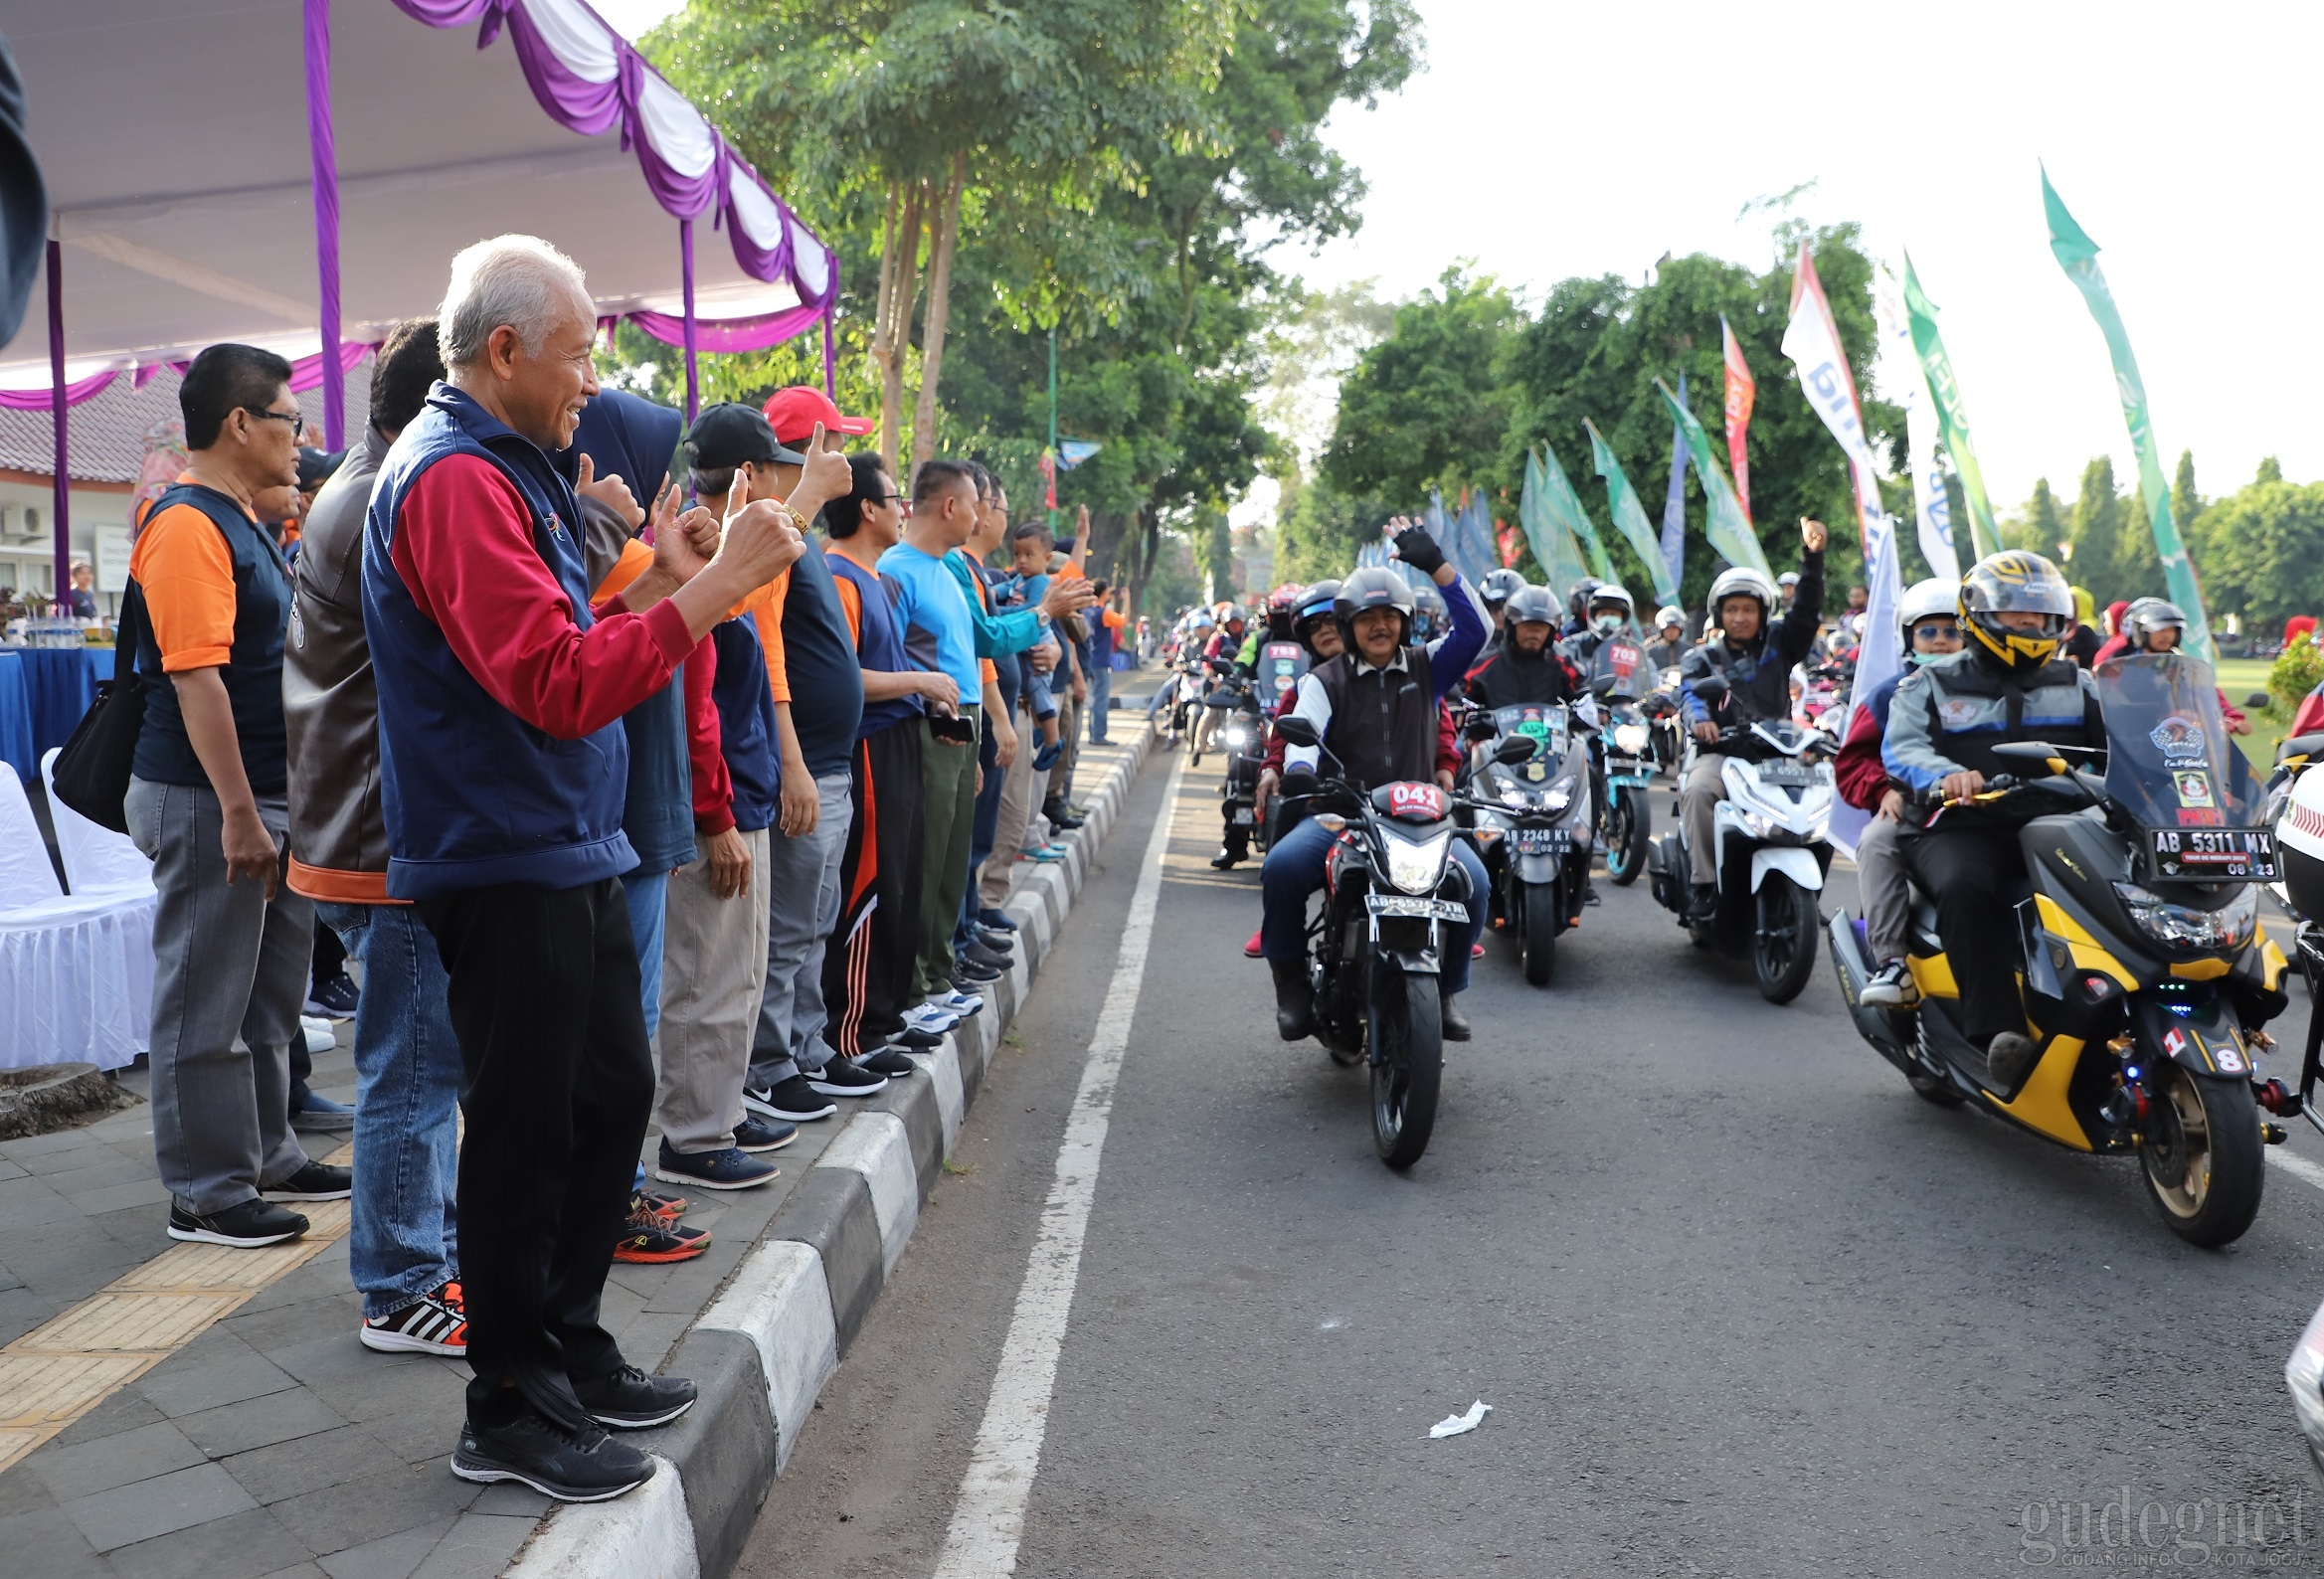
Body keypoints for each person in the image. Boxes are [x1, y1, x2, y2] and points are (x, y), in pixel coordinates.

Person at [366, 235, 804, 1500]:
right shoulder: (452, 480)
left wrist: (664, 585)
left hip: (562, 842)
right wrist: (711, 593)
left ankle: (565, 1341)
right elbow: (553, 688)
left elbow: (566, 645)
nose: (587, 383)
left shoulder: (512, 469)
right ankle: (507, 1399)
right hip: (504, 854)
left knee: (607, 1100)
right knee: (524, 1130)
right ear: (501, 350)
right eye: (575, 357)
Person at [127, 343, 352, 1251]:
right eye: (291, 420)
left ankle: (267, 1152)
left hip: (263, 794)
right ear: (240, 424)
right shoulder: (186, 525)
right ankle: (205, 1193)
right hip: (206, 796)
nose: (300, 439)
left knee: (267, 999)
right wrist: (237, 812)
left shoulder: (242, 518)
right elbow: (198, 682)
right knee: (205, 1001)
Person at [284, 318, 468, 1351]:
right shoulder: (383, 498)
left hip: (375, 823)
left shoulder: (369, 484)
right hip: (379, 834)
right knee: (410, 1068)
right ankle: (399, 1283)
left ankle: (423, 1257)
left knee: (422, 1062)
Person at [1882, 552, 2101, 1090]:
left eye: (2039, 616)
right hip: (1959, 822)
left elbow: (2121, 747)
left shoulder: (2082, 683)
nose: (2029, 626)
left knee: (2105, 891)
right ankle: (1998, 1032)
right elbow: (1904, 748)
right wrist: (1949, 776)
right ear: (1978, 616)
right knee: (1964, 887)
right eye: (2015, 616)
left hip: (2054, 820)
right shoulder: (1929, 683)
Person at [1263, 524, 1491, 1041]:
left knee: (1475, 883)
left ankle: (1448, 989)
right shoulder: (1322, 681)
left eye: (1390, 616)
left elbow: (1478, 631)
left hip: (1419, 818)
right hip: (1341, 815)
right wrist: (1299, 771)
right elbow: (1304, 736)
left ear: (1406, 623)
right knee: (1280, 867)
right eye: (1367, 618)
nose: (1380, 627)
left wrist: (1438, 565)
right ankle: (1292, 986)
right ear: (1347, 626)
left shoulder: (1428, 666)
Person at [812, 452, 952, 1069]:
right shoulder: (840, 576)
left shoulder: (873, 578)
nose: (903, 511)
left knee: (901, 882)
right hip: (867, 748)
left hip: (898, 746)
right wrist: (919, 681)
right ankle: (854, 1031)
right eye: (895, 500)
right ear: (867, 508)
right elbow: (847, 681)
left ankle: (886, 1017)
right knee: (869, 885)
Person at [1677, 520, 1829, 918]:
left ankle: (1806, 894)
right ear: (1719, 614)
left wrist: (1812, 559)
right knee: (1697, 792)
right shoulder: (1701, 658)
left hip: (1777, 755)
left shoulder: (1780, 644)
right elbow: (1690, 694)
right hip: (1722, 754)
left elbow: (1808, 612)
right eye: (1732, 610)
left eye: (1748, 609)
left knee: (1823, 801)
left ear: (1763, 612)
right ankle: (1705, 885)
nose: (1740, 617)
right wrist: (1700, 722)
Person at [1836, 578, 1963, 1008]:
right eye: (1930, 631)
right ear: (1910, 636)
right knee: (1876, 842)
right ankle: (1891, 961)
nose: (1942, 641)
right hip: (1911, 809)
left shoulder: (1987, 687)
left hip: (1987, 808)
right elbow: (1853, 761)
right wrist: (1883, 792)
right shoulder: (1889, 693)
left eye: (1952, 631)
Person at [1466, 585, 1579, 711]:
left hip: (1553, 729)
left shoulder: (1563, 663)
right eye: (1528, 625)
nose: (1535, 634)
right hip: (1494, 730)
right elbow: (1459, 695)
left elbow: (1583, 690)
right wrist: (1459, 708)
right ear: (1511, 626)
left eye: (1542, 627)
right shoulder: (1484, 666)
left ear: (1551, 632)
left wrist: (1592, 705)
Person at [1645, 604, 1689, 671]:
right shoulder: (1650, 652)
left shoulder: (1689, 651)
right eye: (1668, 629)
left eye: (1674, 628)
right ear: (1661, 631)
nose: (1671, 632)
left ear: (1680, 630)